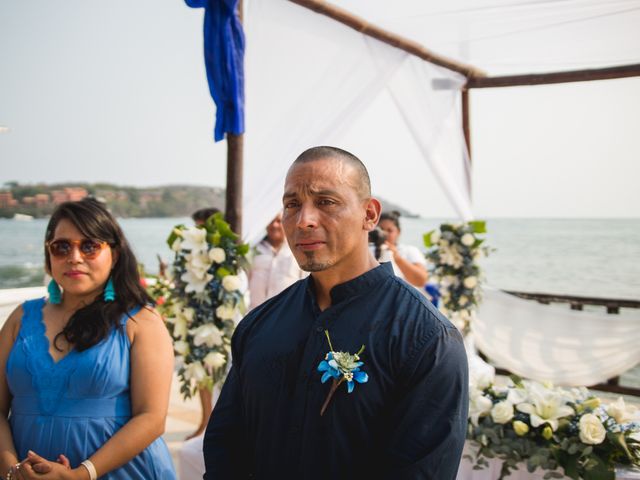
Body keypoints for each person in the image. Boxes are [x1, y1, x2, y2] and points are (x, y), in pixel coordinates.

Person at [203, 146, 468, 479]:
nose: (304, 220)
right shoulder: (258, 325)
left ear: (369, 215)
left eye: (326, 202)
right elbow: (225, 446)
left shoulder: (426, 339)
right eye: (292, 205)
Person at [0, 198, 176, 479]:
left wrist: (81, 474)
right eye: (62, 247)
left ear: (114, 255)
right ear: (49, 255)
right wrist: (11, 469)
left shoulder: (141, 322)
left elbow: (152, 418)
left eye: (90, 246)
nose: (75, 257)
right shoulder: (20, 319)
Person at [248, 212, 306, 310]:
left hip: (287, 313)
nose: (274, 225)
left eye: (279, 221)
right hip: (256, 314)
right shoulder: (253, 250)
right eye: (271, 221)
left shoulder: (298, 250)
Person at [378, 210, 429, 288]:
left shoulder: (410, 250)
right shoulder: (368, 251)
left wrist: (397, 257)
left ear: (398, 232)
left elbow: (421, 281)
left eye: (389, 230)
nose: (385, 233)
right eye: (381, 229)